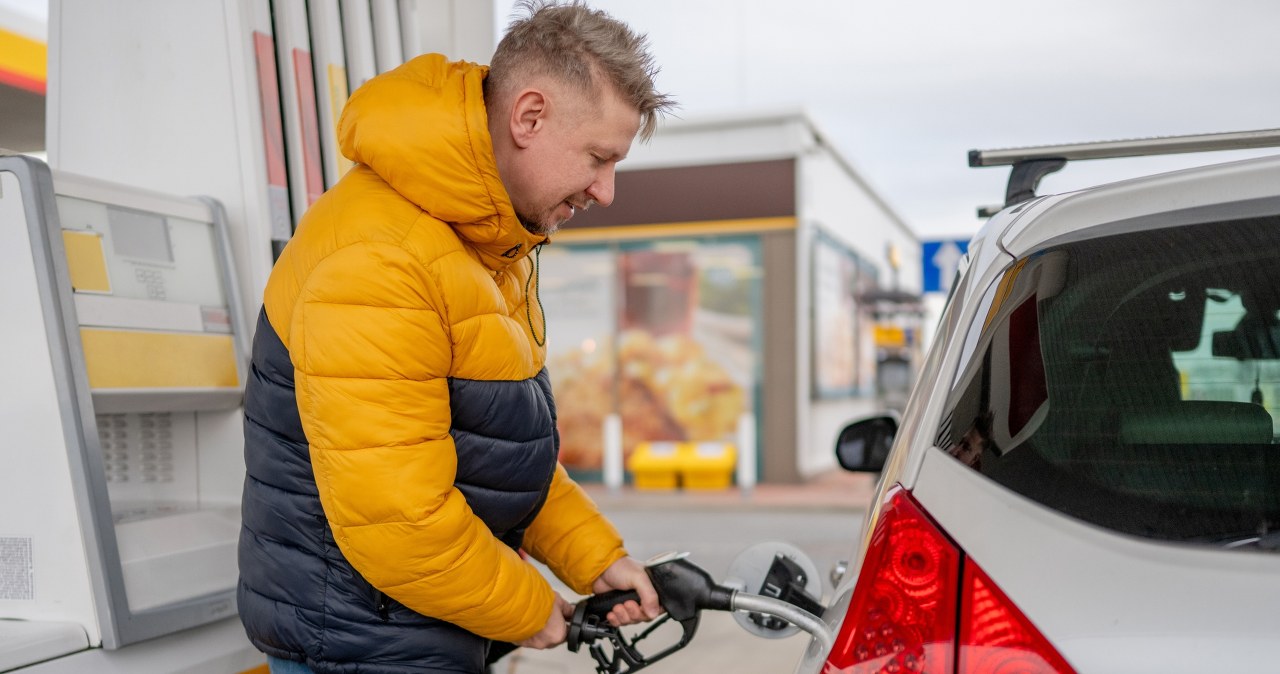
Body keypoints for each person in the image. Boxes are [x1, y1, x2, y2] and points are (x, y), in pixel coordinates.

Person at [236, 2, 675, 672]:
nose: (606, 191)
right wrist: (532, 608)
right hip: (360, 647)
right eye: (598, 157)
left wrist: (596, 558)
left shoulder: (481, 244)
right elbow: (401, 525)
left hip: (411, 636)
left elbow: (496, 452)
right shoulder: (380, 259)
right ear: (528, 117)